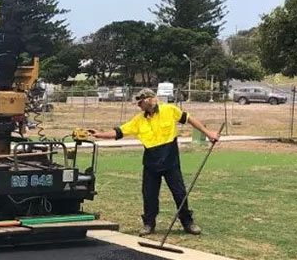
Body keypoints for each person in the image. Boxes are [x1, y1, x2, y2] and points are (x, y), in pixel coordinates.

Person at [86, 89, 220, 237]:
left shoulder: (169, 110)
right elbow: (119, 132)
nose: (138, 106)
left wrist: (209, 133)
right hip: (151, 162)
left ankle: (187, 222)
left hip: (170, 161)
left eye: (140, 102)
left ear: (149, 100)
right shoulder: (138, 120)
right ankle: (149, 224)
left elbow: (189, 119)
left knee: (179, 193)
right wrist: (98, 134)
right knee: (149, 195)